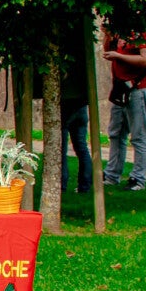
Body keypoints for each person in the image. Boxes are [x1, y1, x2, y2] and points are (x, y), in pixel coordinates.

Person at [102, 25, 146, 191]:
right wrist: (108, 36)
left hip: (140, 88)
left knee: (139, 135)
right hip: (122, 87)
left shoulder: (142, 31)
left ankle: (138, 179)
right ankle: (112, 175)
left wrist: (119, 56)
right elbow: (109, 53)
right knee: (116, 133)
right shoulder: (120, 29)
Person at [53, 32, 93, 194]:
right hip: (80, 105)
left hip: (65, 104)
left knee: (60, 148)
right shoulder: (82, 60)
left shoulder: (60, 61)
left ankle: (61, 184)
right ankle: (85, 185)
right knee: (81, 146)